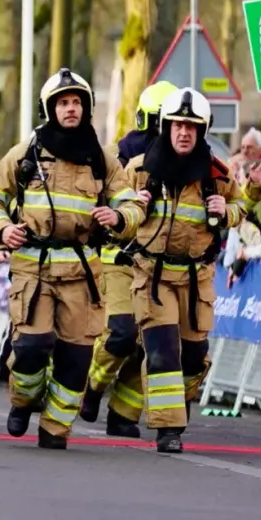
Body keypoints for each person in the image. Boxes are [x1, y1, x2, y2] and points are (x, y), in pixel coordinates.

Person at [0, 69, 142, 448]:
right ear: (49, 109)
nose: (71, 109)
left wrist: (119, 217)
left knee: (76, 359)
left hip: (82, 273)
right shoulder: (26, 153)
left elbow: (131, 204)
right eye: (63, 103)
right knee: (30, 348)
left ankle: (55, 428)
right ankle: (24, 399)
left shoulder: (101, 160)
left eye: (77, 103)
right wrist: (3, 229)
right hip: (32, 269)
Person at [122, 88, 250, 452]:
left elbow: (241, 207)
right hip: (153, 276)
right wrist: (129, 208)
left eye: (192, 127)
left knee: (193, 357)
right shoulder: (138, 170)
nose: (184, 132)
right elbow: (114, 211)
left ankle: (176, 402)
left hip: (196, 280)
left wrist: (227, 211)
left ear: (202, 131)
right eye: (178, 125)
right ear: (166, 127)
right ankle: (169, 431)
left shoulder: (217, 174)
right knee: (162, 350)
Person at [82, 79, 176, 435]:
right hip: (119, 258)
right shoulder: (117, 158)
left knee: (150, 343)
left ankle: (123, 413)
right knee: (121, 333)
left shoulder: (191, 163)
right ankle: (91, 386)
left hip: (161, 266)